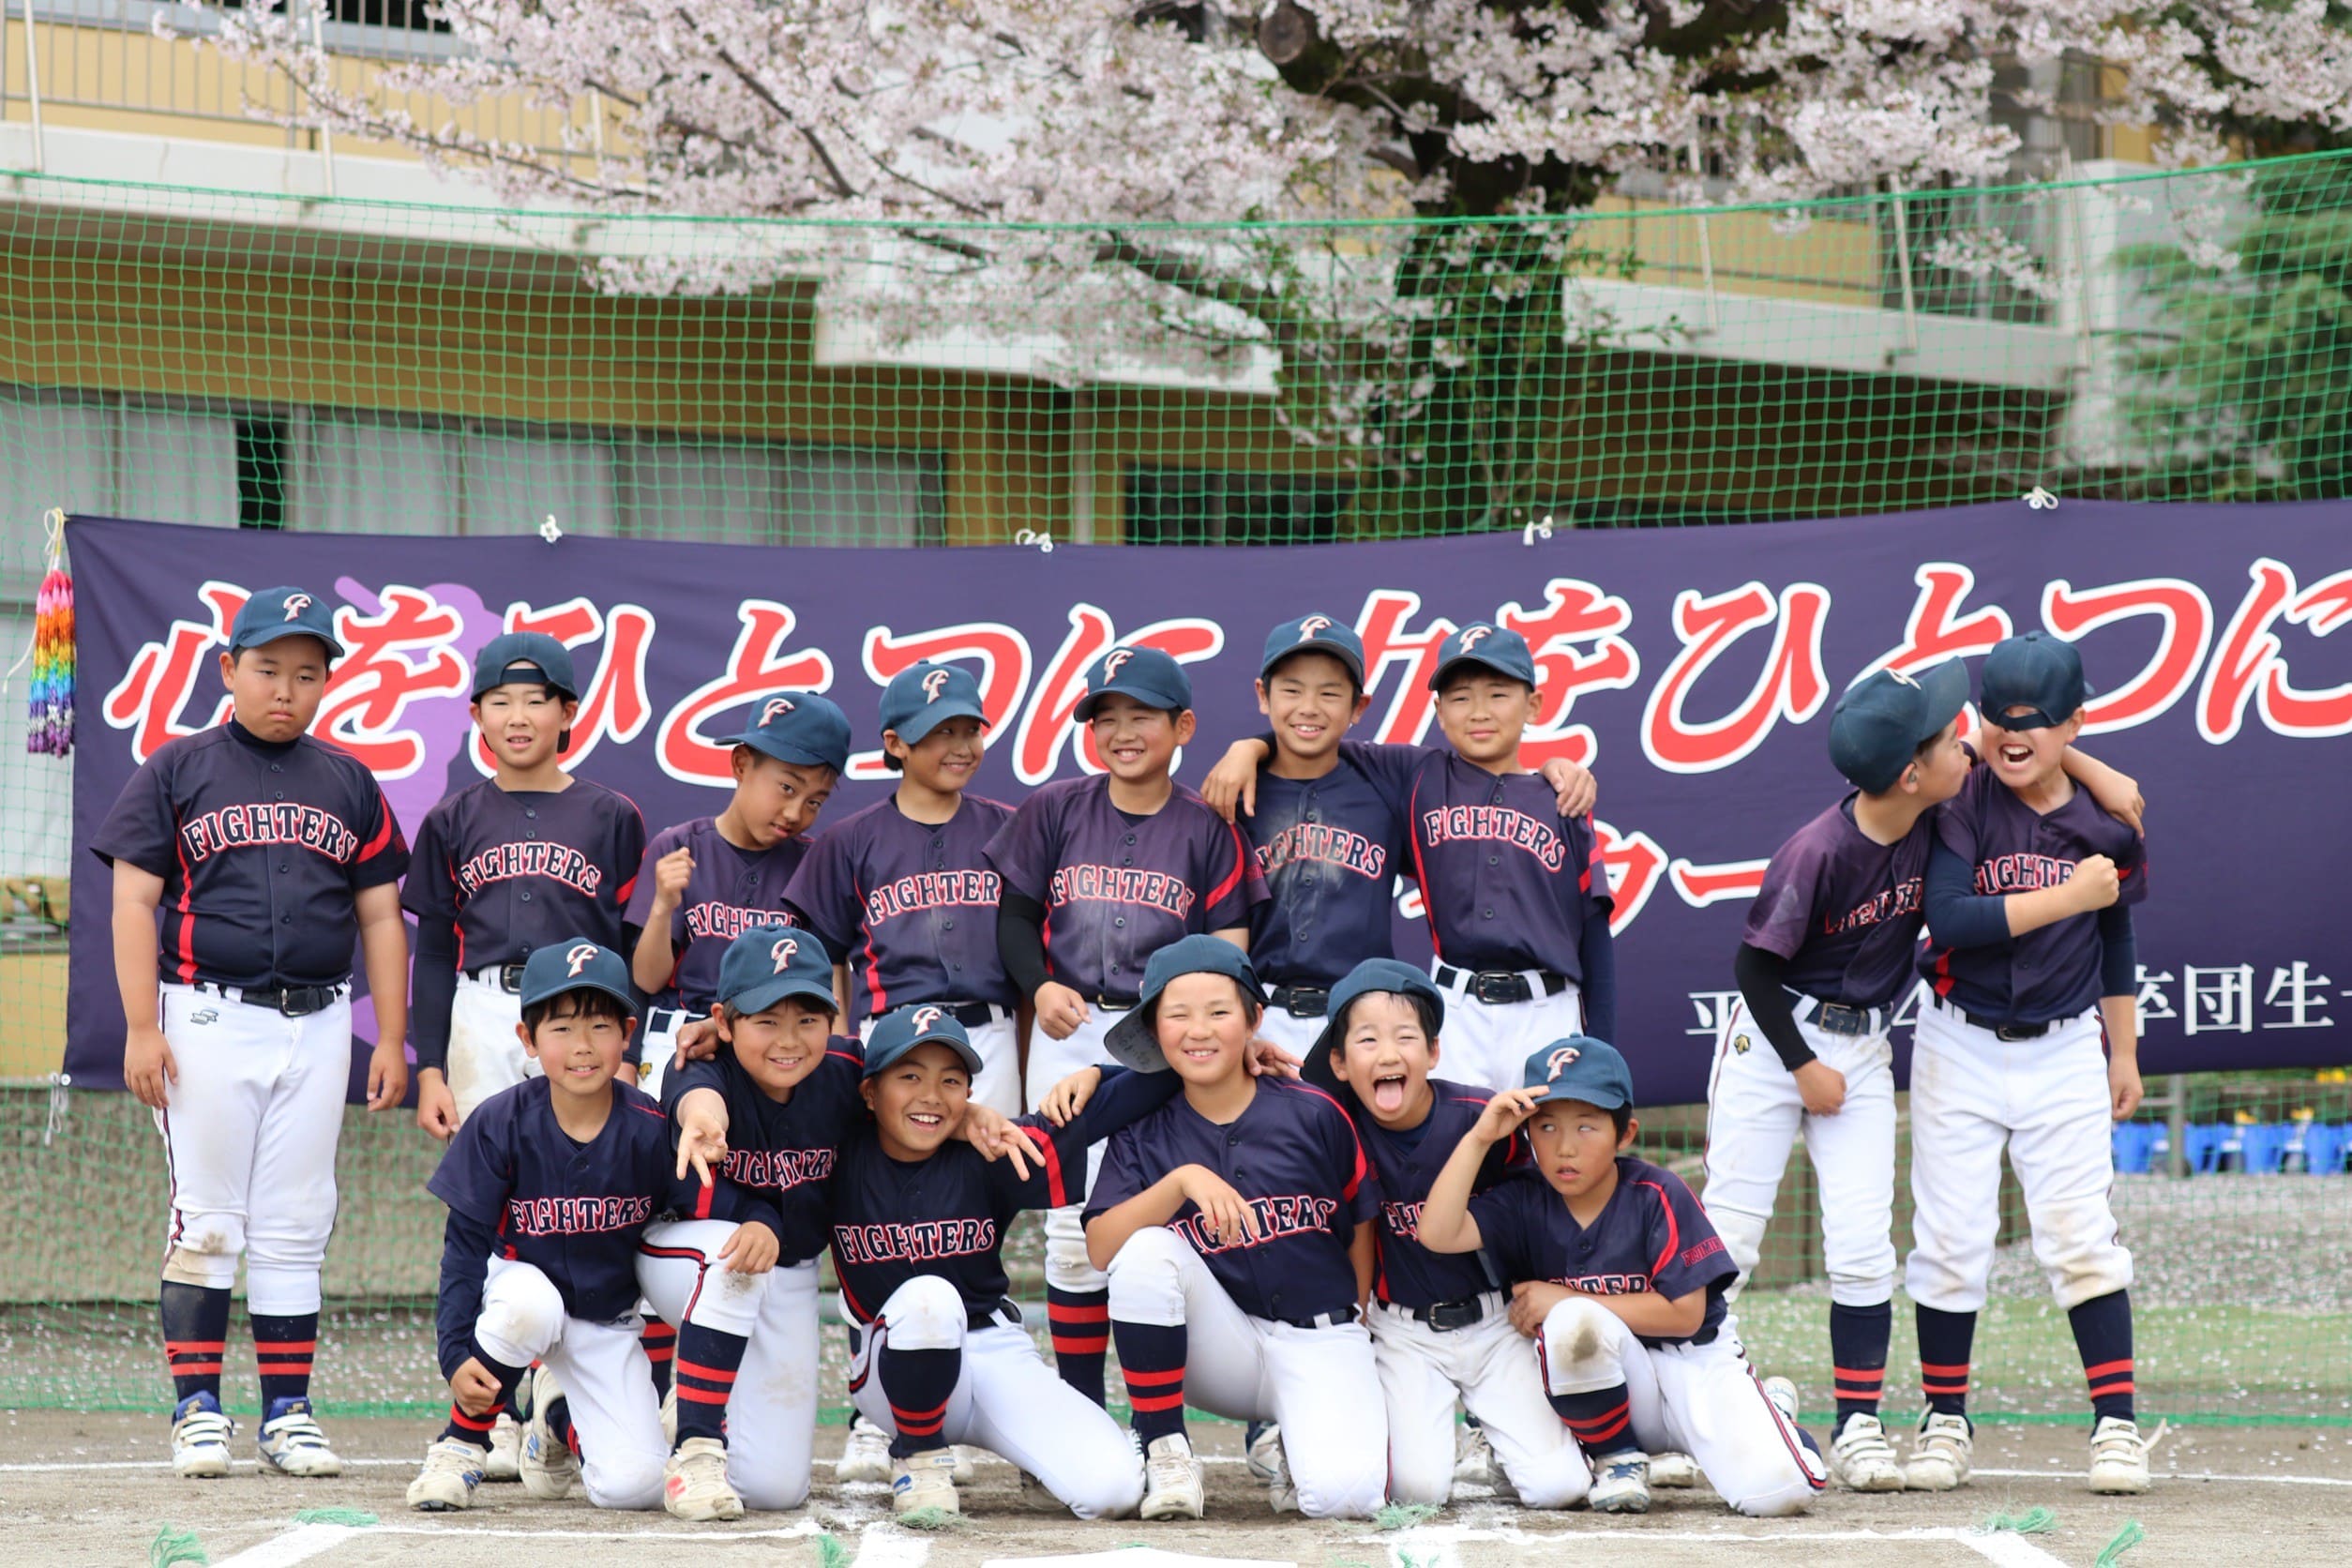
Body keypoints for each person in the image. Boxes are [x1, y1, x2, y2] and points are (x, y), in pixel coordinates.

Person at [1704, 660, 2145, 1492]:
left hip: (1874, 1045)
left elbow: (2028, 746)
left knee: (1870, 1244)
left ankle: (1860, 1424)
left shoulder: (1948, 799)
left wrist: (2099, 772)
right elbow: (1757, 967)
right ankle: (1694, 1400)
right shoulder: (1838, 842)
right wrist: (1802, 1064)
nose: (1970, 743)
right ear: (1915, 771)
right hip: (1788, 1039)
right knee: (1732, 1236)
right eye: (1953, 736)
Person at [97, 585, 411, 1481]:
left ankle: (288, 1414)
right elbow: (133, 900)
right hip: (206, 1015)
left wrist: (391, 1039)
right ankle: (198, 1409)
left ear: (326, 684)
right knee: (207, 1219)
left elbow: (381, 916)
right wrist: (139, 1026)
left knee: (296, 1220)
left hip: (319, 1021)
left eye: (307, 674)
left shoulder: (348, 780)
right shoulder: (177, 768)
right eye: (268, 668)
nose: (286, 689)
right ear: (229, 669)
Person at [402, 940, 777, 1517]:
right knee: (528, 1306)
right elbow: (464, 1249)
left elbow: (717, 1200)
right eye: (561, 1028)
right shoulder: (499, 1122)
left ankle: (554, 1418)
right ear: (528, 1039)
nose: (582, 1045)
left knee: (635, 1488)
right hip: (520, 1295)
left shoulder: (649, 1128)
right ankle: (461, 1442)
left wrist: (762, 1220)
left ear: (627, 1034)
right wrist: (454, 1354)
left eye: (600, 1026)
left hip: (605, 1320)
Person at [988, 646, 1265, 1405]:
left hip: (1169, 1038)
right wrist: (1040, 984)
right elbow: (1015, 917)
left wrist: (1222, 1034)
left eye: (1140, 715)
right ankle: (1080, 1410)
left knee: (1166, 1220)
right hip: (1069, 1028)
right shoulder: (1054, 808)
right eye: (1105, 718)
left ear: (1183, 727)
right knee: (1068, 1226)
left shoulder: (1207, 827)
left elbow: (1230, 949)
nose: (1121, 732)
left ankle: (1177, 1410)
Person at [1910, 631, 2152, 1495]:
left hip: (2065, 1046)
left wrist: (2124, 1051)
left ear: (2074, 723)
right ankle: (1944, 1419)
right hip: (1958, 1040)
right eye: (1999, 720)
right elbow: (1950, 919)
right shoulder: (1964, 795)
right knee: (1949, 1240)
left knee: (2082, 1237)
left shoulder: (2106, 817)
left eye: (2036, 721)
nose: (2015, 736)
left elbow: (2115, 937)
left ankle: (2116, 1425)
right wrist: (2068, 893)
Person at [781, 661, 1023, 1482]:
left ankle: (956, 1394)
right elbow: (821, 955)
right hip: (890, 1045)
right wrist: (841, 1046)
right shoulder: (851, 839)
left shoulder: (1008, 828)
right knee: (873, 1215)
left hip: (986, 1039)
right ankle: (873, 1412)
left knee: (976, 1216)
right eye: (937, 732)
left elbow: (1029, 953)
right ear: (895, 743)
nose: (958, 745)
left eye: (968, 730)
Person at [1417, 1037, 1827, 1518]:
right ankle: (1617, 1458)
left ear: (1625, 1133)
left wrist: (1562, 1297)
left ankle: (1771, 1417)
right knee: (1572, 1326)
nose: (1565, 1146)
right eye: (1546, 1127)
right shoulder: (1524, 1198)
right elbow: (1437, 1234)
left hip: (1696, 1365)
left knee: (1778, 1494)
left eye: (1586, 1126)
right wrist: (1480, 1138)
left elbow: (1686, 1315)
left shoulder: (1657, 1193)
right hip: (1609, 1385)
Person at [1203, 621, 1612, 1096]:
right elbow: (1310, 739)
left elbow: (1594, 930)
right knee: (1454, 1131)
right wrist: (1248, 747)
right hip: (1446, 1008)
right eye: (1461, 697)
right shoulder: (1412, 773)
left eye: (1498, 695)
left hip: (1542, 1006)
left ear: (1533, 705)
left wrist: (1558, 770)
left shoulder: (1559, 799)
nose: (1479, 711)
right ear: (1439, 710)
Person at [826, 1004, 1181, 1518]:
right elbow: (799, 1077)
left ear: (970, 1094)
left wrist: (1096, 1073)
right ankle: (918, 1459)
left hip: (991, 1349)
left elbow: (1134, 1095)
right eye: (909, 1076)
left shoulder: (994, 1147)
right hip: (891, 1365)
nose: (931, 1096)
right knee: (929, 1298)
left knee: (1113, 1490)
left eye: (951, 1081)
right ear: (869, 1091)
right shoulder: (837, 1150)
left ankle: (1030, 1456)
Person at [1084, 936, 1388, 1521]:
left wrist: (1355, 1319)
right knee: (1146, 1251)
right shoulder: (1142, 1128)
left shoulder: (1312, 1110)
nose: (1198, 1030)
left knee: (1345, 1498)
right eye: (1177, 1015)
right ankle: (1164, 1447)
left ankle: (1294, 1441)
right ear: (1154, 1029)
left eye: (1219, 1012)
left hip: (1321, 1339)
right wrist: (1180, 1182)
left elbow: (1362, 1220)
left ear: (1254, 1020)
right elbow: (1100, 1249)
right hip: (1217, 1349)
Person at [1304, 958, 1589, 1509]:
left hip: (1496, 1323)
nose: (1389, 1054)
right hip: (1403, 1332)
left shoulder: (1482, 1114)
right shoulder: (1336, 1125)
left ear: (1434, 1052)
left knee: (1561, 1487)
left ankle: (1503, 1445)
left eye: (1406, 1037)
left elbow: (1538, 1209)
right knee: (1418, 1491)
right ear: (1339, 1062)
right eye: (1367, 1040)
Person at [624, 690, 849, 1388]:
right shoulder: (681, 846)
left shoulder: (813, 862)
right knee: (663, 1207)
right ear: (741, 764)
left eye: (815, 799)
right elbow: (646, 977)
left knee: (746, 1199)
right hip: (684, 1041)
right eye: (786, 786)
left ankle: (707, 1385)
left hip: (772, 1056)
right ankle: (641, 1386)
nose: (796, 811)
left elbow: (829, 986)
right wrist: (663, 905)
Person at [407, 632, 646, 1141]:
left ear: (567, 713)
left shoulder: (612, 816)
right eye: (501, 702)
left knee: (581, 1165)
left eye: (536, 701)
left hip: (583, 1009)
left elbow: (632, 947)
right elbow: (433, 953)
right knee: (482, 1169)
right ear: (478, 717)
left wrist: (631, 1056)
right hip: (483, 1008)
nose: (517, 717)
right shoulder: (450, 820)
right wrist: (429, 1070)